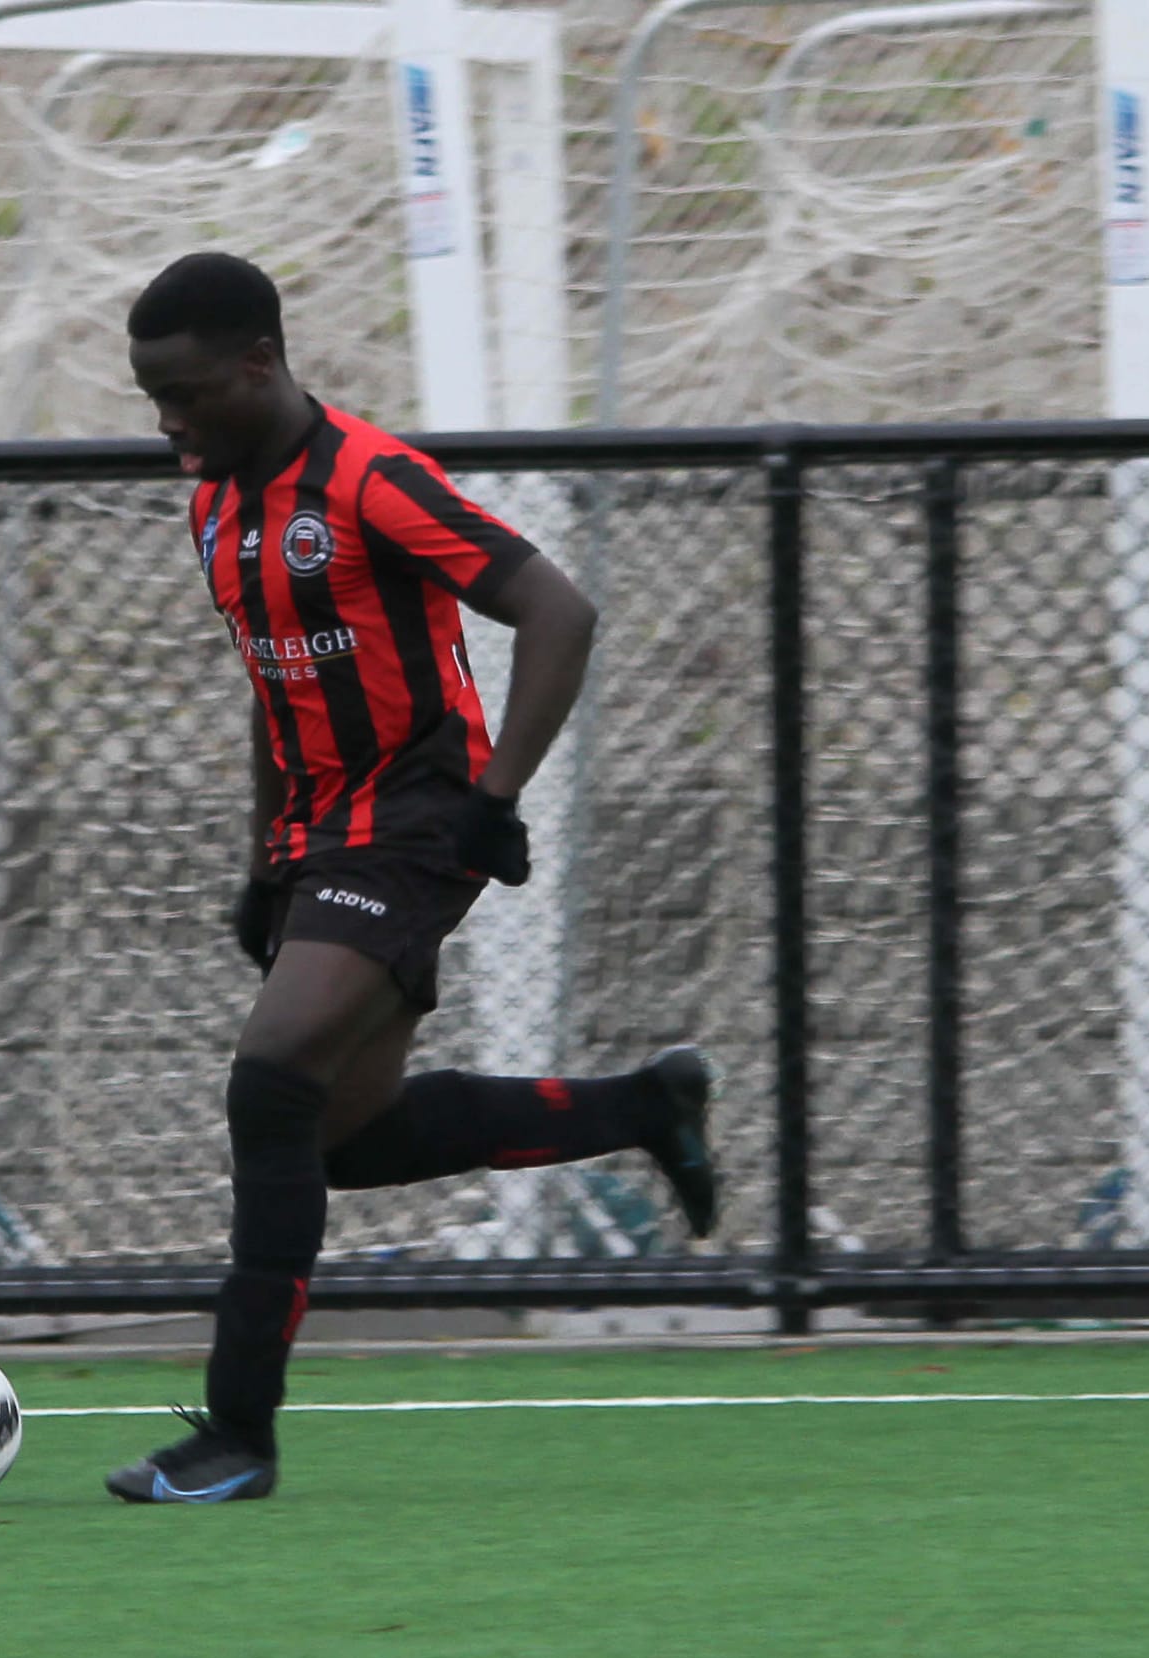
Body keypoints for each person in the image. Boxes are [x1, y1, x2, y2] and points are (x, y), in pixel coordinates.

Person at [104, 252, 715, 1505]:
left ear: (258, 366)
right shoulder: (211, 496)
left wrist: (492, 803)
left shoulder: (372, 479)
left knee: (269, 1083)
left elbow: (559, 612)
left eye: (183, 392)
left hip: (419, 815)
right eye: (147, 397)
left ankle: (237, 1433)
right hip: (323, 835)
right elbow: (276, 681)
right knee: (341, 1137)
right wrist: (264, 854)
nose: (166, 421)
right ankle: (643, 1106)